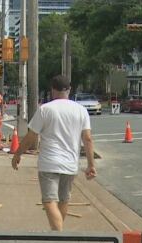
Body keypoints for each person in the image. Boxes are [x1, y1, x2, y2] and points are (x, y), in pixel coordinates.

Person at [11, 75, 96, 232]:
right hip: (70, 164)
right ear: (69, 90)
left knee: (49, 201)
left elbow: (31, 136)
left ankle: (58, 233)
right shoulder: (81, 111)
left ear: (52, 90)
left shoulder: (45, 109)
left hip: (49, 163)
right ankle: (58, 234)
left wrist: (18, 154)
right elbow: (88, 139)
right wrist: (91, 165)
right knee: (63, 200)